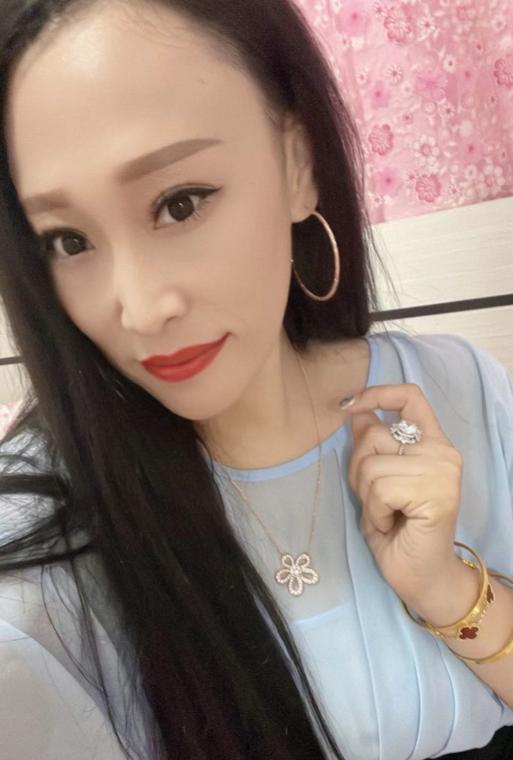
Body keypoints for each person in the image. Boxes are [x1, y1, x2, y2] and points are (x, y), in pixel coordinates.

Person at [0, 1, 512, 758]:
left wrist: (446, 589)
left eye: (179, 203)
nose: (140, 310)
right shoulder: (39, 542)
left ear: (297, 164)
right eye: (69, 241)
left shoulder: (455, 388)